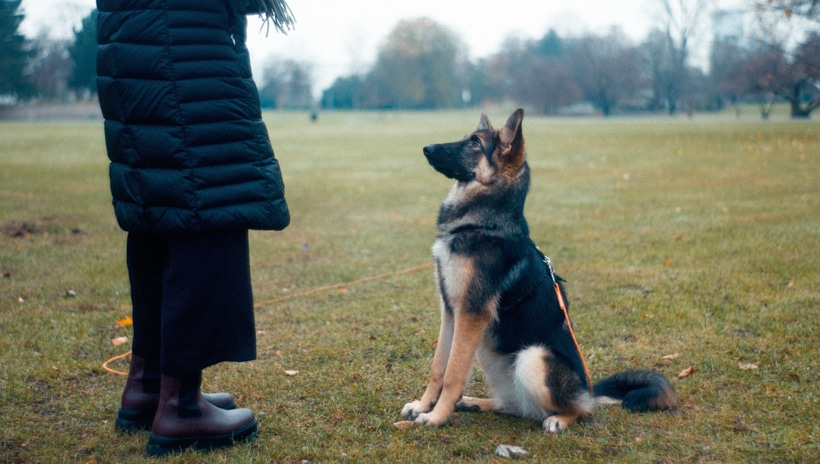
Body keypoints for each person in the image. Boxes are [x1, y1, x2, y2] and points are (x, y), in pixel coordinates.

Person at [95, 0, 294, 456]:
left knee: (162, 201)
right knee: (209, 200)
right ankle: (181, 407)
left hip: (133, 39)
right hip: (181, 40)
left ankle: (149, 386)